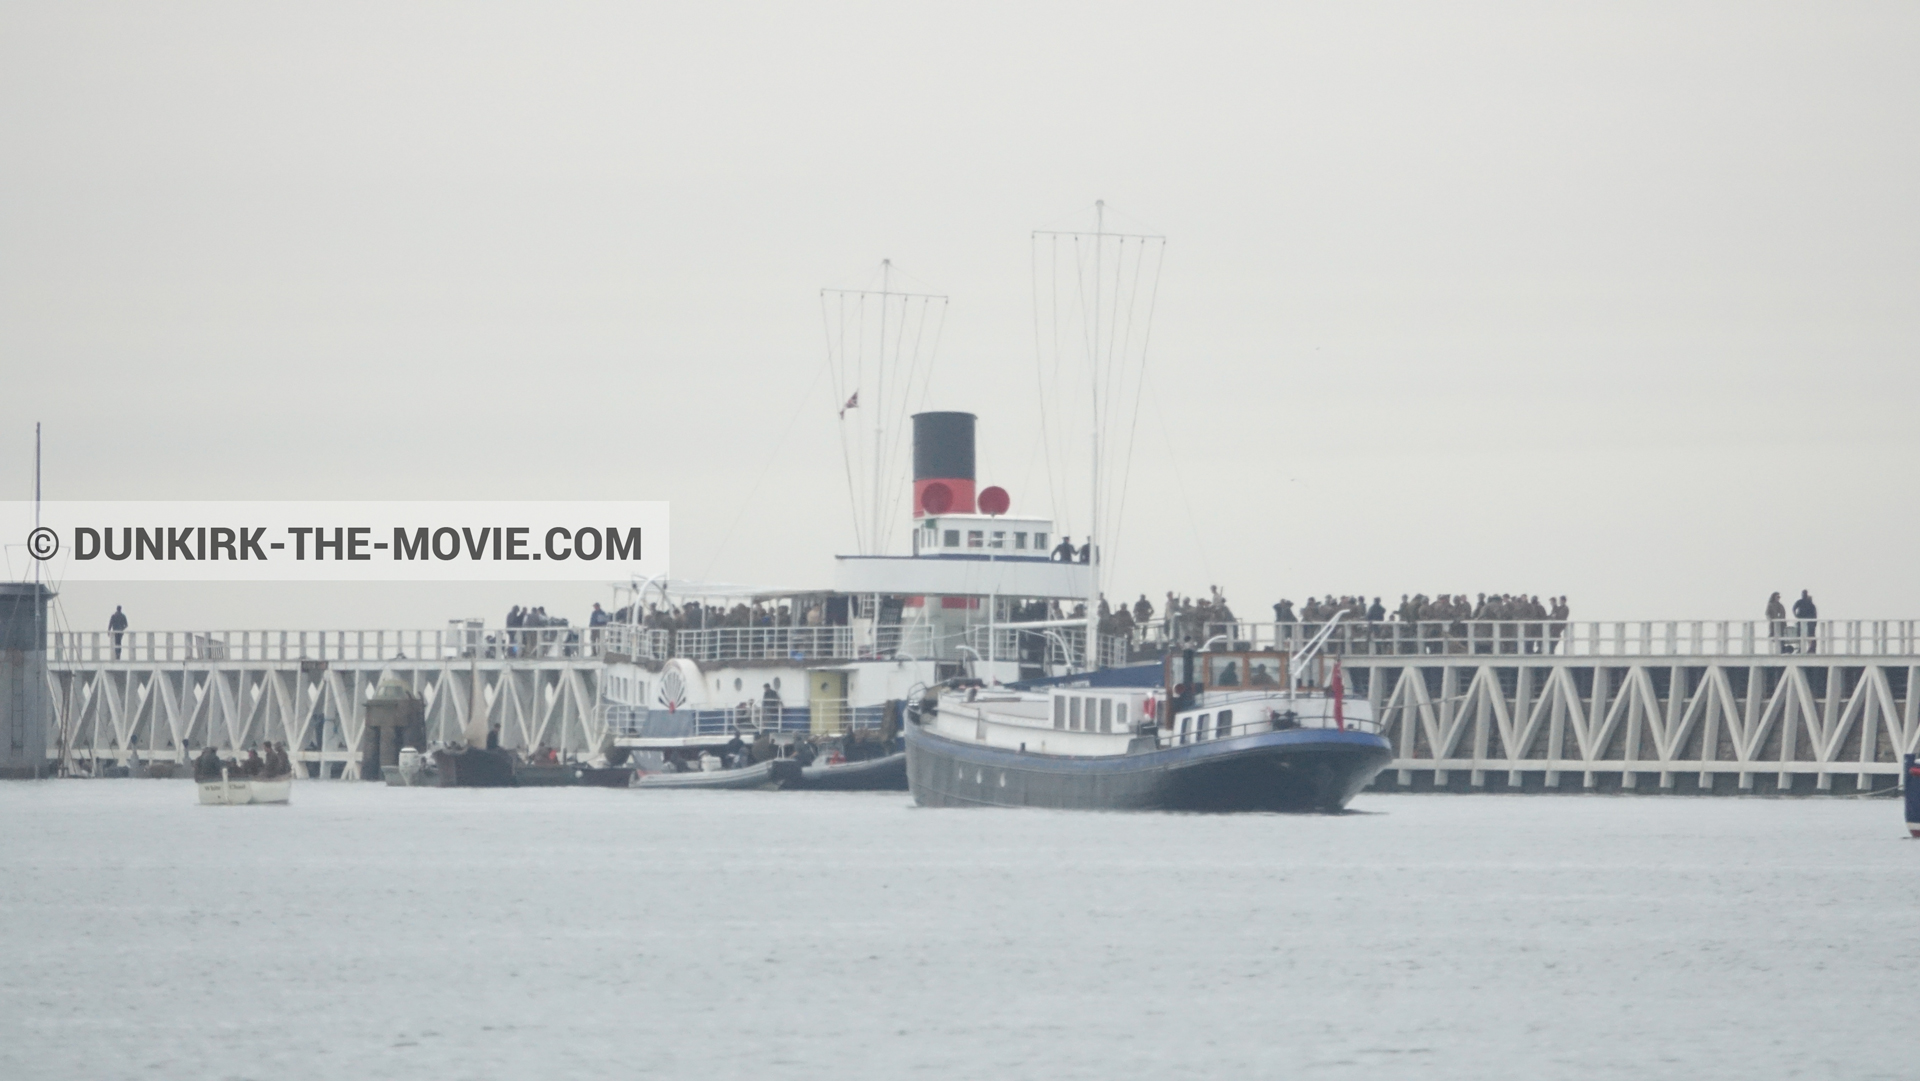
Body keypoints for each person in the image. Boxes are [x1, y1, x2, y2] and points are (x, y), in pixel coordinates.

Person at [1792, 590, 1818, 654]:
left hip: (1809, 622)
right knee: (1800, 635)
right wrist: (1796, 616)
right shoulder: (1800, 602)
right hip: (1801, 621)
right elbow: (1794, 608)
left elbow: (1814, 614)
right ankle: (1801, 648)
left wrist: (1813, 622)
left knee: (1810, 635)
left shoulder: (1809, 603)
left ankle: (1811, 649)